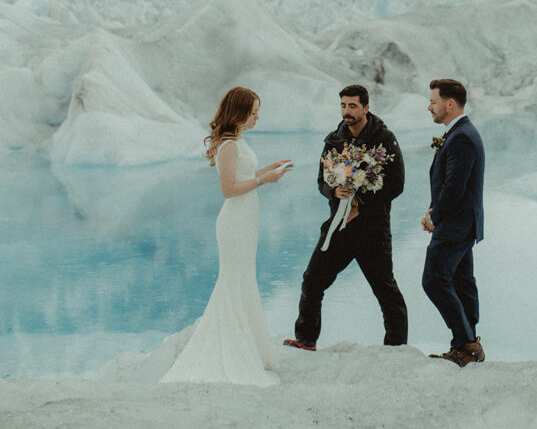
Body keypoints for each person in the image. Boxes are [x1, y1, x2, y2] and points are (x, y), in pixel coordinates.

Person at [161, 86, 292, 386]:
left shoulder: (238, 141)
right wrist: (263, 180)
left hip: (245, 220)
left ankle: (248, 347)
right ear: (239, 112)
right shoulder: (229, 145)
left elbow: (243, 175)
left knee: (243, 280)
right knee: (234, 281)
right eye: (253, 111)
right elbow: (229, 189)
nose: (258, 117)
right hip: (234, 222)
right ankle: (235, 350)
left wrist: (266, 169)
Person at [284, 84, 408, 350]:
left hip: (372, 229)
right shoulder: (334, 139)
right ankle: (306, 340)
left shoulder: (384, 139)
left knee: (385, 290)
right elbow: (321, 181)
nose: (347, 111)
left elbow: (396, 184)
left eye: (352, 106)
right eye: (343, 105)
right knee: (312, 280)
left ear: (366, 107)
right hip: (339, 227)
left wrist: (360, 204)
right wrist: (334, 191)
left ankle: (396, 350)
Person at [421, 78, 485, 367]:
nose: (429, 106)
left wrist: (435, 217)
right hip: (462, 223)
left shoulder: (461, 137)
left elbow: (455, 187)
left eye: (433, 101)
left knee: (434, 280)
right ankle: (469, 344)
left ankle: (466, 343)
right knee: (461, 282)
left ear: (450, 103)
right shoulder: (459, 132)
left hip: (455, 225)